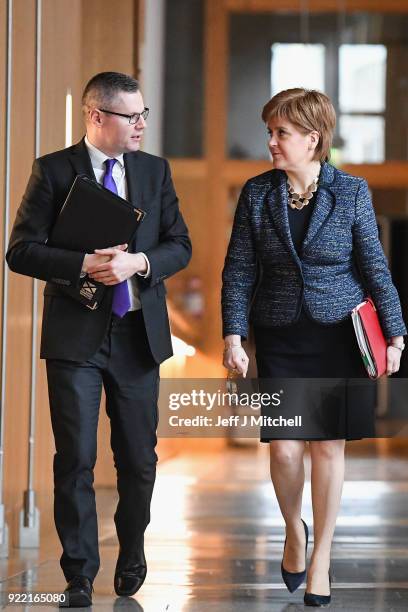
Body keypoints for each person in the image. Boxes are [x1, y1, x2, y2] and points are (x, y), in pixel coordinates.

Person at [7, 71, 191, 607]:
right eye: (130, 117)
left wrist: (141, 261)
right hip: (76, 337)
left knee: (138, 458)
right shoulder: (54, 170)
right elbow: (21, 251)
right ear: (96, 117)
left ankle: (131, 550)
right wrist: (83, 264)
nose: (140, 126)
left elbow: (180, 244)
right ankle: (79, 573)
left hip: (138, 335)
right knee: (77, 457)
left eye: (143, 116)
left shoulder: (154, 172)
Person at [221, 88, 406, 607]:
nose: (271, 142)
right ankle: (294, 530)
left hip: (338, 335)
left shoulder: (350, 192)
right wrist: (233, 335)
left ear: (312, 138)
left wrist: (396, 333)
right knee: (283, 449)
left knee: (327, 447)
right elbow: (238, 270)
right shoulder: (257, 194)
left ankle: (321, 555)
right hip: (280, 333)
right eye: (270, 131)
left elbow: (374, 267)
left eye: (281, 132)